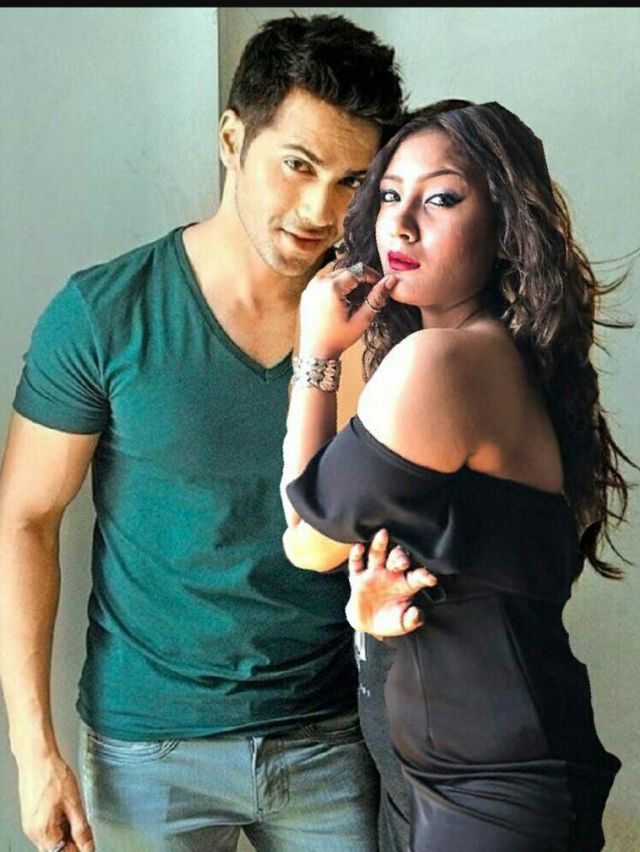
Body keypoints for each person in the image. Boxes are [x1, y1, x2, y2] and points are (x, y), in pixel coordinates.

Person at [0, 14, 407, 852]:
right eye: (298, 165)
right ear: (231, 139)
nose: (320, 209)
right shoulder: (104, 313)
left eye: (351, 182)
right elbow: (24, 519)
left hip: (332, 734)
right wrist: (33, 751)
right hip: (148, 747)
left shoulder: (379, 325)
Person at [281, 99, 634, 851]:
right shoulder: (496, 357)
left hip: (494, 792)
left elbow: (307, 541)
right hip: (446, 774)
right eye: (389, 195)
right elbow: (472, 572)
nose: (401, 225)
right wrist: (368, 616)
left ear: (505, 226)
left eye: (441, 198)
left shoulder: (442, 363)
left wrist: (315, 354)